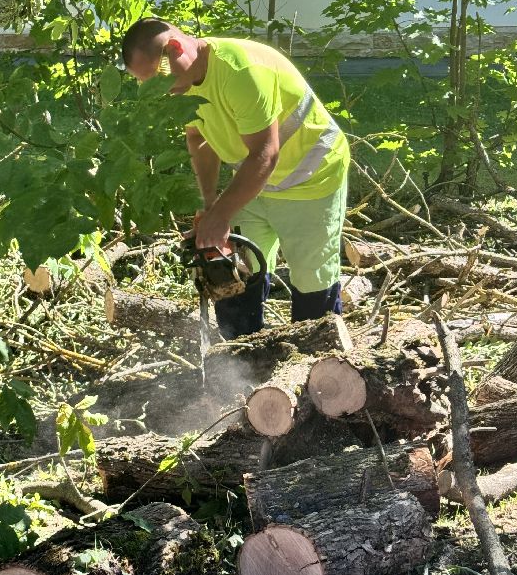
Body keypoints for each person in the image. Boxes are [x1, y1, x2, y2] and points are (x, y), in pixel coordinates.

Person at [122, 18, 350, 340]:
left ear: (175, 47)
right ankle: (242, 365)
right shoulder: (182, 86)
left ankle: (321, 370)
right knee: (232, 274)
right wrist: (211, 204)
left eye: (159, 79)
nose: (162, 91)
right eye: (147, 83)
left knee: (312, 286)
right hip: (256, 181)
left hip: (310, 178)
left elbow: (265, 154)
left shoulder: (240, 72)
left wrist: (223, 214)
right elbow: (198, 139)